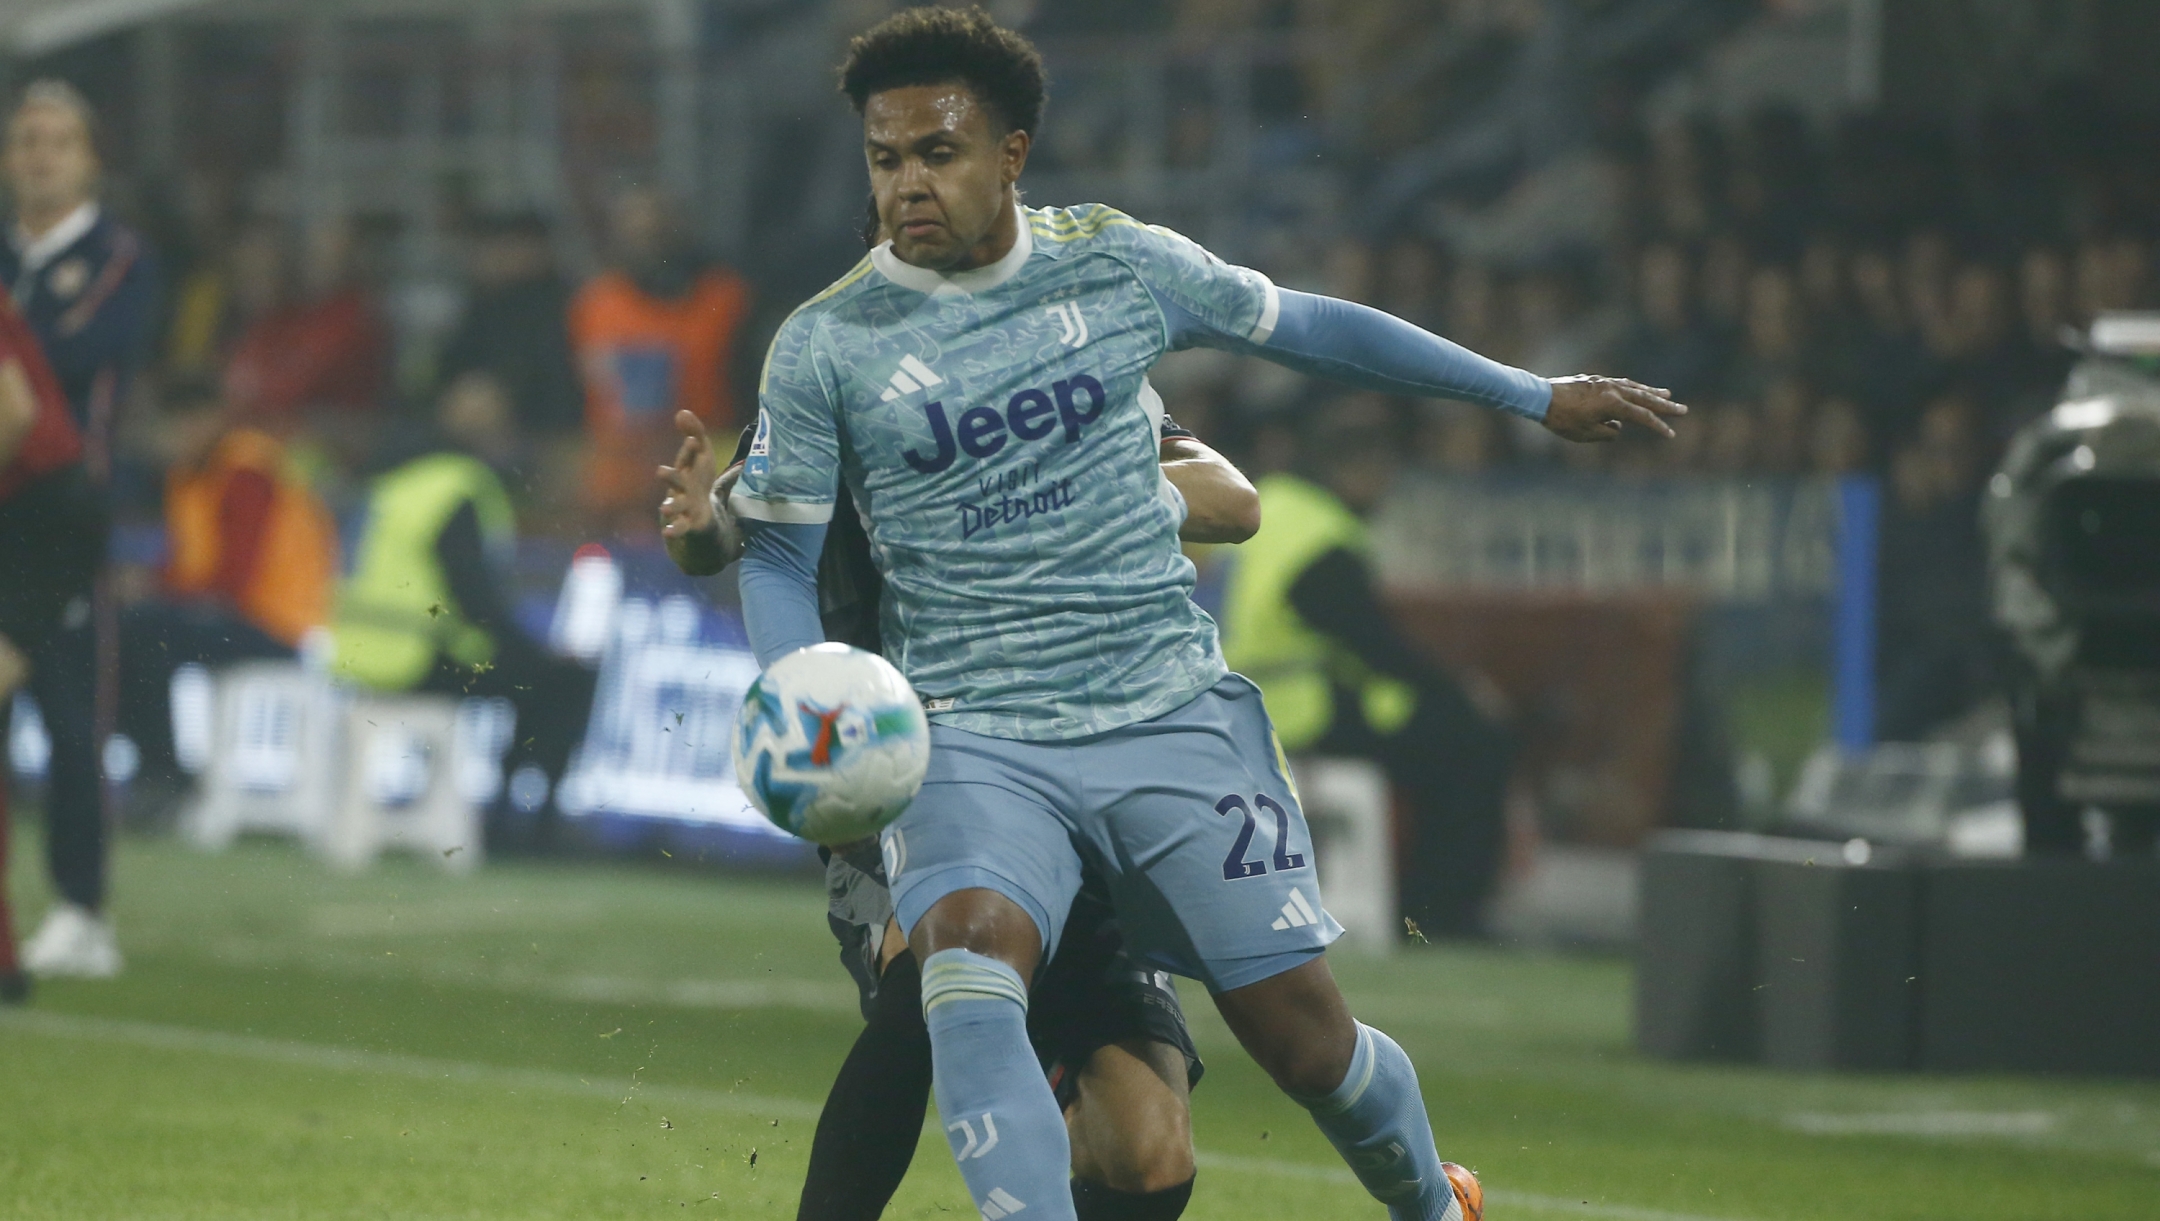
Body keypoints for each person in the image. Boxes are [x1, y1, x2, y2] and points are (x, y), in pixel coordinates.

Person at [729, 10, 1683, 1221]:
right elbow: (775, 549)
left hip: (1167, 713)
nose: (908, 182)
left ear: (1012, 153)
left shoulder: (1114, 263)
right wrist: (795, 686)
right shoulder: (825, 344)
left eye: (939, 151)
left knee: (1307, 1044)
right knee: (965, 968)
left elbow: (1317, 329)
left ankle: (1435, 1206)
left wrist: (1530, 394)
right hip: (973, 735)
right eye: (885, 158)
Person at [660, 380, 1258, 1219]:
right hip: (906, 754)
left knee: (1148, 1158)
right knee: (933, 978)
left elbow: (1233, 502)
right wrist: (698, 529)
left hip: (1079, 750)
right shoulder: (834, 358)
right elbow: (730, 525)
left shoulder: (1076, 355)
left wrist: (1061, 484)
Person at [1220, 394, 1514, 939]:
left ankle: (1426, 910)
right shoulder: (1320, 536)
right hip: (1297, 713)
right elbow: (1374, 645)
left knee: (1440, 732)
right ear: (1356, 470)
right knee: (1471, 742)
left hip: (1243, 704)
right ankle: (1442, 916)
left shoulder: (1271, 503)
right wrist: (1458, 691)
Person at [329, 373, 596, 847]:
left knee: (535, 673)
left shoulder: (392, 476)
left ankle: (508, 815)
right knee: (566, 679)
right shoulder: (455, 484)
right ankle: (522, 822)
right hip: (417, 655)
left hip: (355, 651)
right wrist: (535, 653)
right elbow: (476, 601)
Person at [117, 379, 338, 793]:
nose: (165, 439)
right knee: (122, 629)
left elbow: (234, 576)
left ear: (205, 420)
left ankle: (165, 774)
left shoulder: (247, 470)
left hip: (275, 623)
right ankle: (159, 768)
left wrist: (154, 588)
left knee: (142, 632)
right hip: (221, 614)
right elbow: (187, 563)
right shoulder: (188, 475)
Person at [0, 289, 109, 986]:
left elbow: (14, 411)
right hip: (37, 515)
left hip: (36, 524)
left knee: (65, 726)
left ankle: (77, 912)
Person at [569, 186, 755, 522]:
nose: (647, 244)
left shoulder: (726, 299)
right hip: (614, 488)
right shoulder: (595, 304)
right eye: (635, 233)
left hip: (709, 476)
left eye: (657, 232)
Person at [438, 211, 583, 433]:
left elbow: (555, 373)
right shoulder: (484, 303)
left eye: (514, 247)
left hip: (547, 425)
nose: (502, 256)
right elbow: (455, 363)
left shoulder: (565, 303)